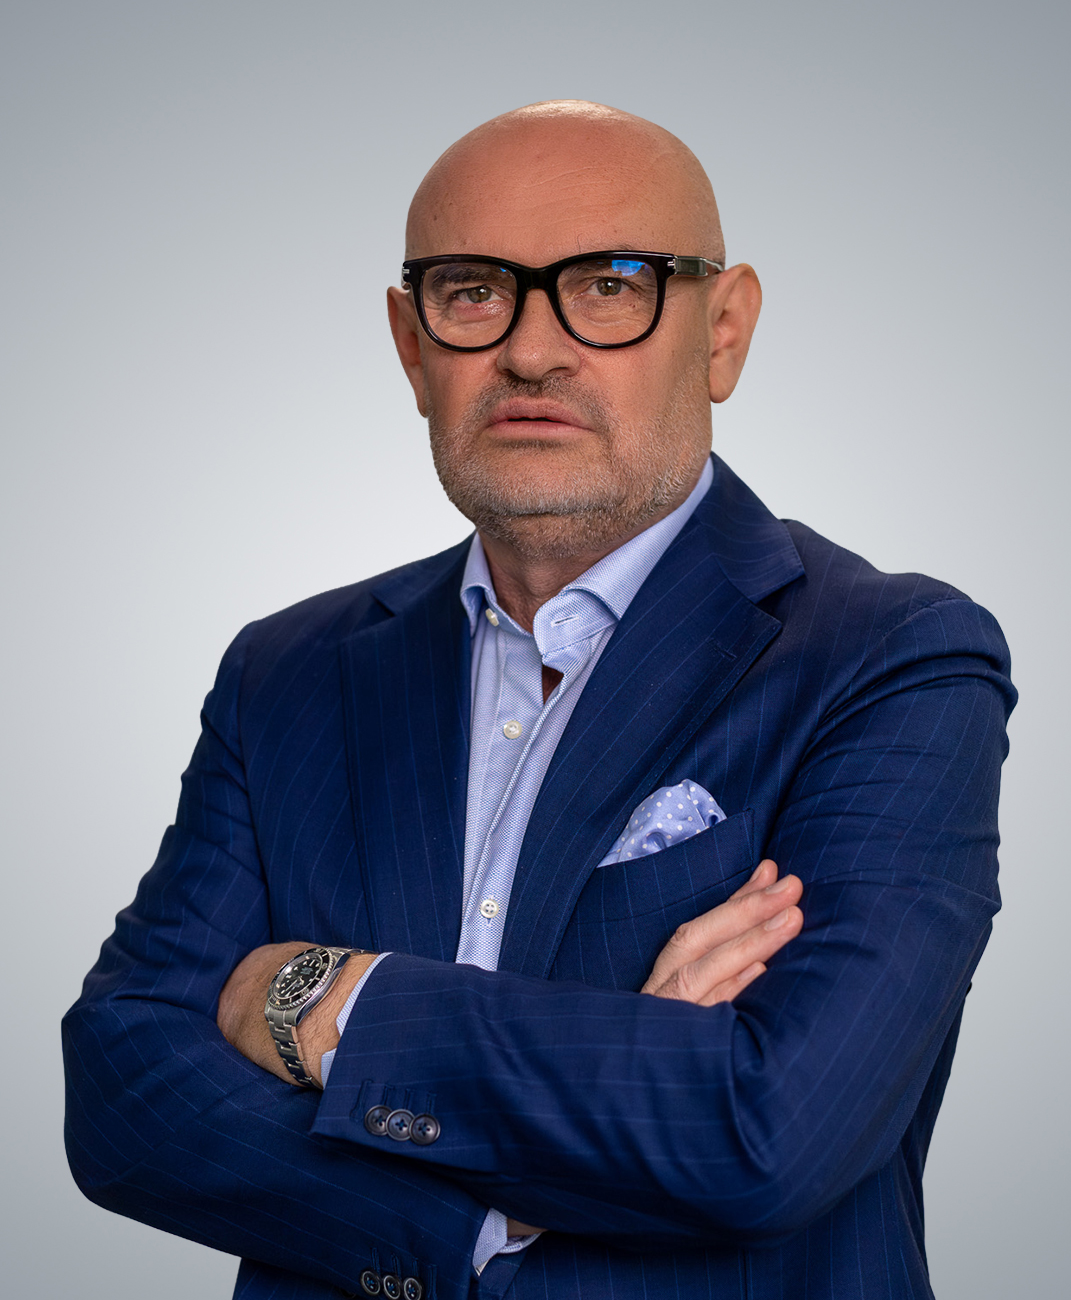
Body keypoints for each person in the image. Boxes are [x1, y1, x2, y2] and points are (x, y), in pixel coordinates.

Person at [63, 101, 1015, 1300]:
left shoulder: (893, 658)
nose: (530, 350)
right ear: (411, 346)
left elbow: (770, 1128)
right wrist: (481, 1212)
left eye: (609, 285)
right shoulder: (287, 671)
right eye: (473, 292)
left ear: (723, 332)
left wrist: (325, 999)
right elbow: (124, 1094)